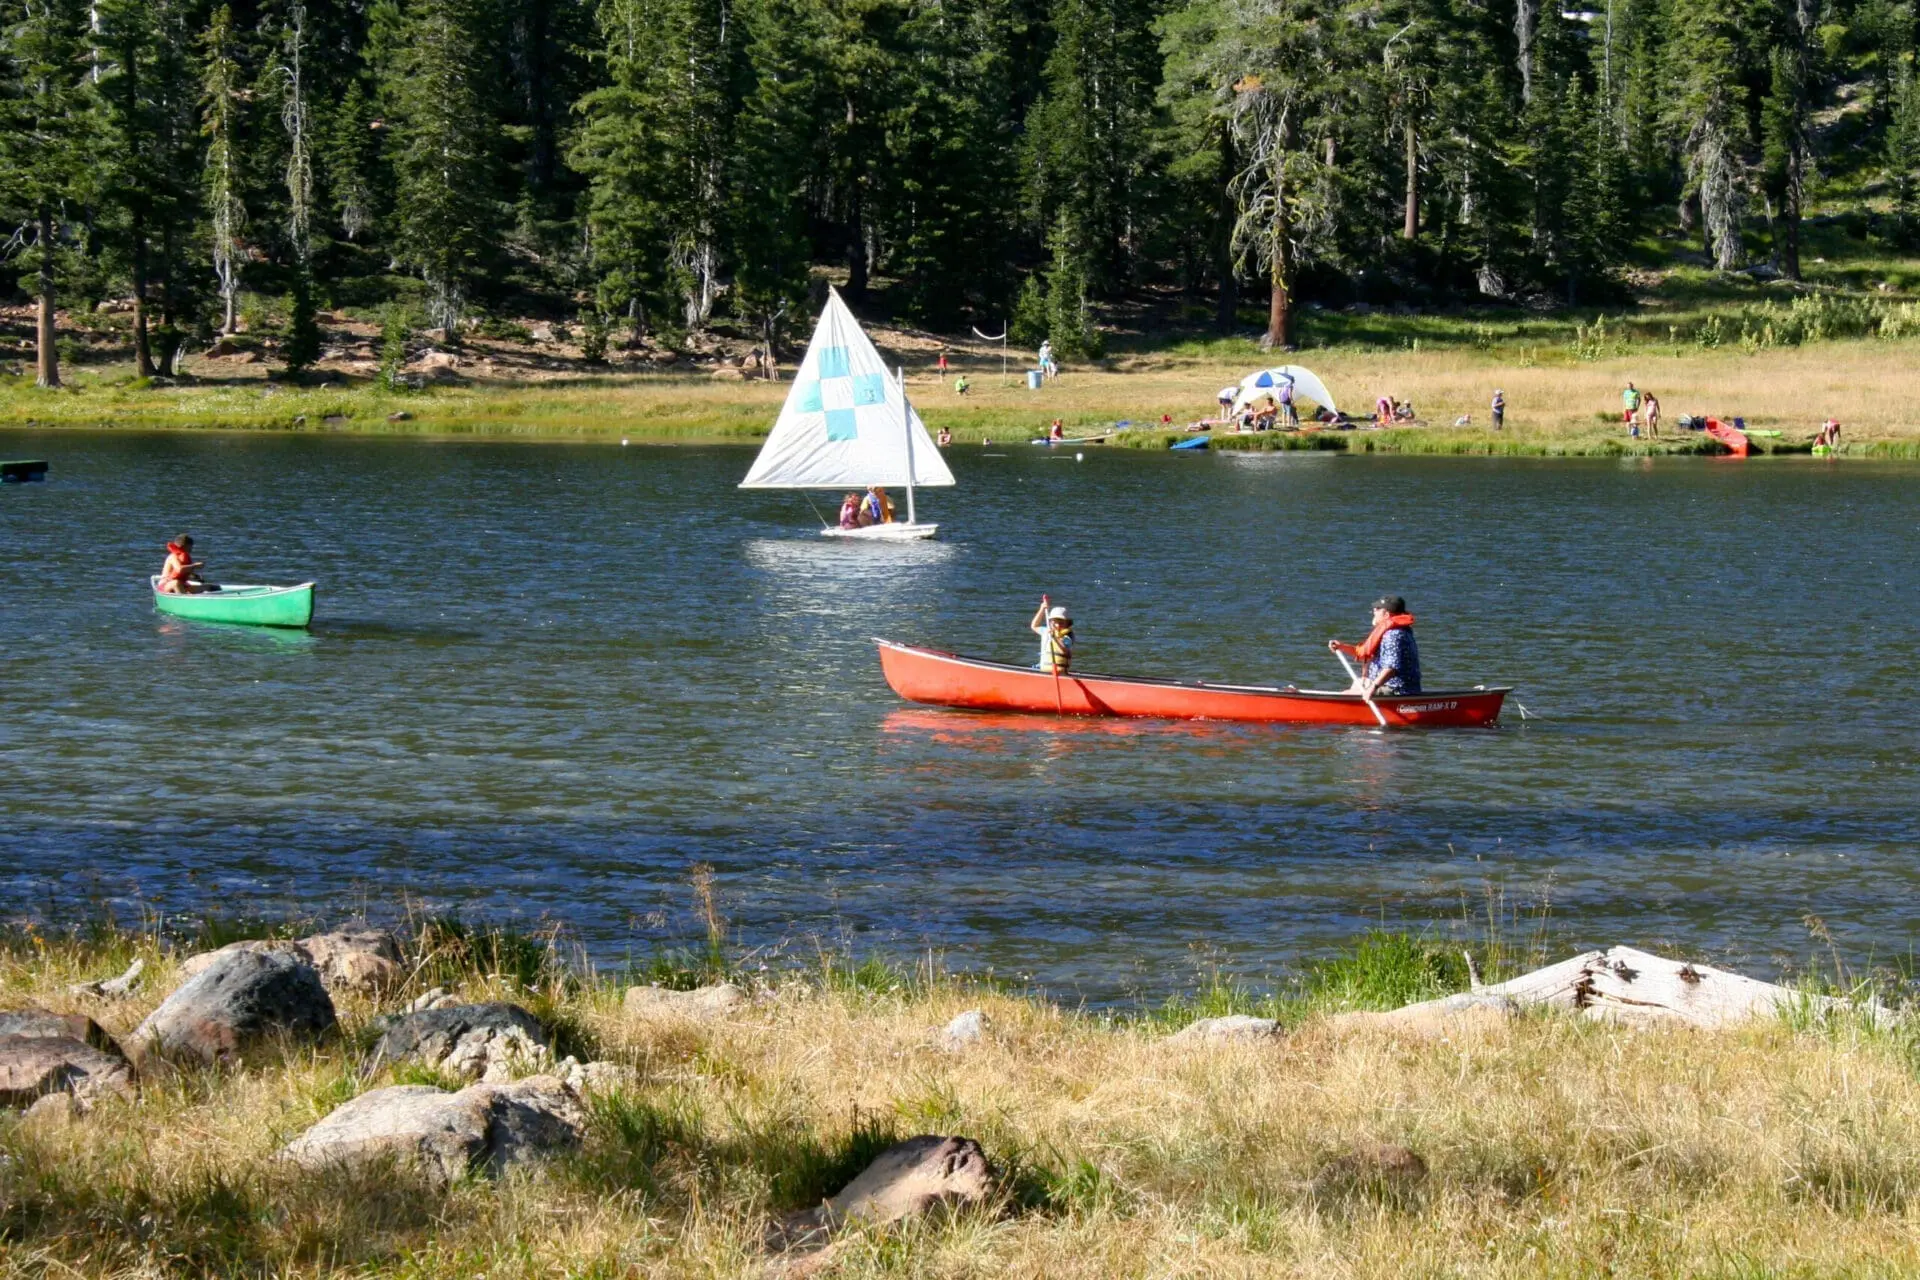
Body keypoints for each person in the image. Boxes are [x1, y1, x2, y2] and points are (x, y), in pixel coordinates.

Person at [1328, 596, 1421, 697]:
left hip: (1396, 689)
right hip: (1389, 685)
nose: (1374, 612)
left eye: (1377, 609)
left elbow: (1391, 668)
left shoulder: (1393, 635)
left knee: (1345, 695)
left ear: (1386, 614)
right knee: (1358, 683)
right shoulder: (1397, 631)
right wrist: (1341, 647)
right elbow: (1362, 652)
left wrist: (1373, 688)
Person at [1030, 596, 1073, 673]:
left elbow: (1064, 650)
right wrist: (1042, 609)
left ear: (1067, 624)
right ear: (1050, 622)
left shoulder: (1068, 636)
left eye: (1061, 623)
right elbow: (1034, 626)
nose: (1058, 625)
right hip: (1043, 668)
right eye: (1055, 622)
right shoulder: (1046, 631)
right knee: (1034, 667)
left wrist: (1055, 637)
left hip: (1059, 671)